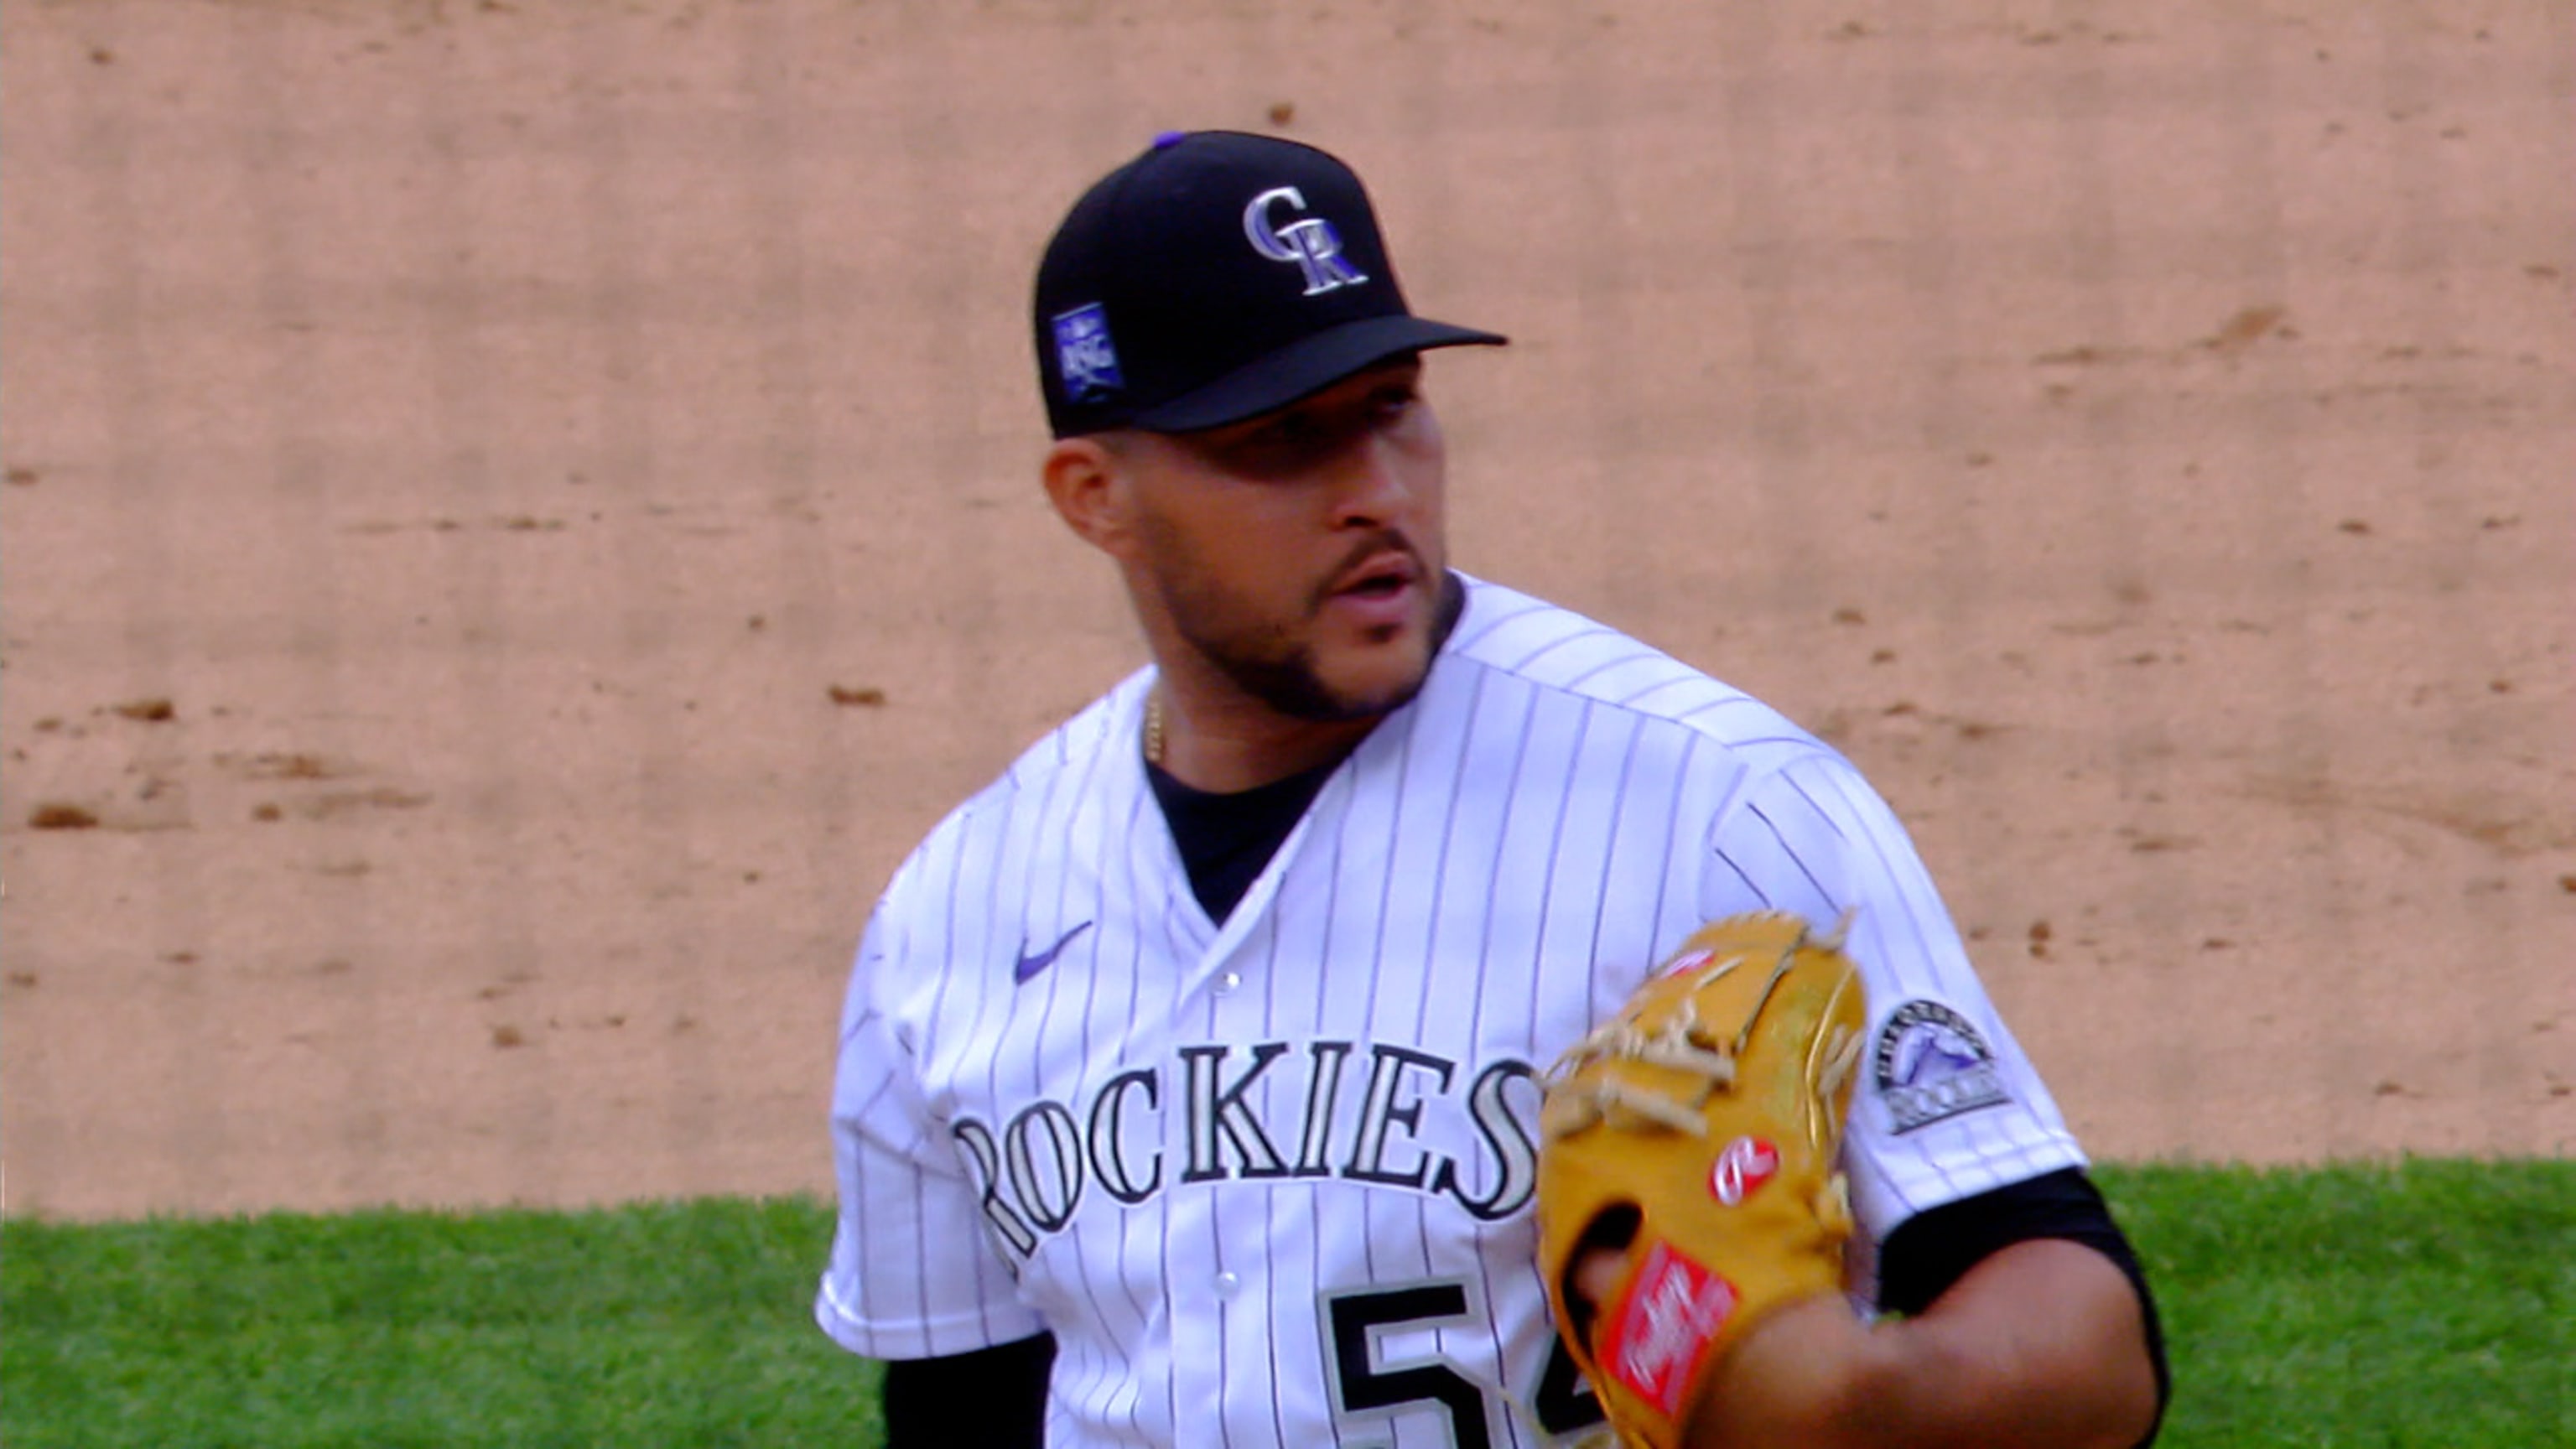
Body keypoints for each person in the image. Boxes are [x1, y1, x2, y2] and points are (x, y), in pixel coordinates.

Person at [817, 129, 2168, 1449]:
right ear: (1093, 494)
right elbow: (958, 1412)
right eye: (1281, 441)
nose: (1374, 491)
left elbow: (2090, 1348)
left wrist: (1841, 1406)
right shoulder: (956, 913)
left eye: (1392, 407)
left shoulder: (1718, 807)